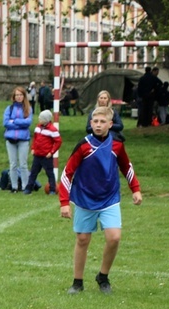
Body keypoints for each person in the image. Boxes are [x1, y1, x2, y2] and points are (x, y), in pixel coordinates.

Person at [59, 106, 142, 294]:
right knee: (82, 239)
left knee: (114, 237)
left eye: (102, 121)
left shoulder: (117, 145)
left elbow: (126, 166)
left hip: (109, 198)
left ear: (110, 124)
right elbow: (67, 173)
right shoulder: (83, 145)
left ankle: (102, 277)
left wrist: (135, 189)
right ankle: (77, 283)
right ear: (90, 123)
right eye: (95, 121)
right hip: (85, 199)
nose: (98, 125)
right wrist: (64, 202)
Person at [3, 86, 33, 193]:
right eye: (17, 95)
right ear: (14, 96)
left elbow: (28, 122)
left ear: (24, 96)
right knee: (13, 164)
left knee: (23, 164)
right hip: (10, 139)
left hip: (23, 139)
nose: (19, 97)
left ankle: (25, 186)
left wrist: (14, 121)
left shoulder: (28, 109)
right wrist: (20, 123)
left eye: (21, 95)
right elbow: (5, 123)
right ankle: (14, 186)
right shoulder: (9, 108)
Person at [25, 110, 62, 195]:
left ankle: (52, 189)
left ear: (46, 119)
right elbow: (35, 139)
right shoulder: (38, 127)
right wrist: (33, 148)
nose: (39, 119)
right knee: (33, 172)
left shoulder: (53, 130)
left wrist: (52, 152)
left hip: (46, 156)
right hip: (37, 155)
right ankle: (28, 188)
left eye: (41, 118)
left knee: (49, 173)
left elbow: (58, 142)